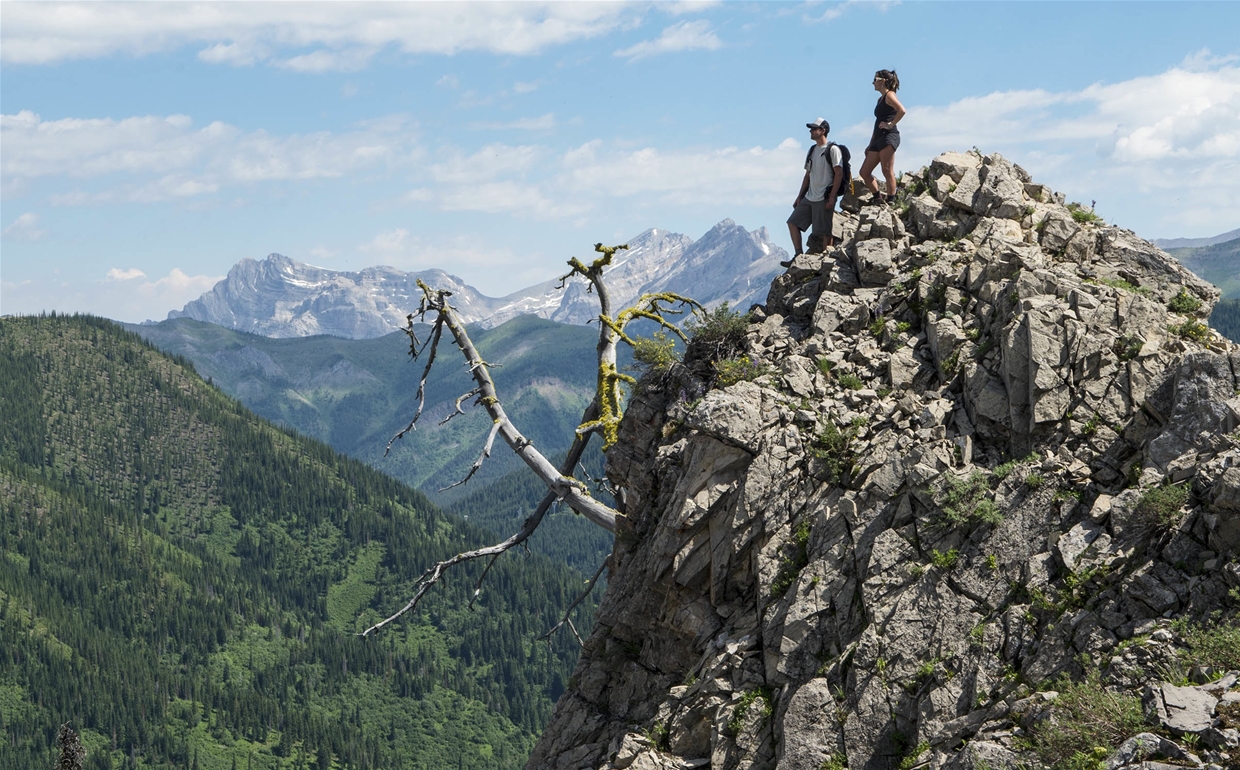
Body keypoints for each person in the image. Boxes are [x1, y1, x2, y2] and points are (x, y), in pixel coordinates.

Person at [783, 118, 844, 265]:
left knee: (825, 231)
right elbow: (807, 175)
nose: (810, 131)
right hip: (810, 196)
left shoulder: (833, 150)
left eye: (814, 128)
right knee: (792, 223)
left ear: (823, 130)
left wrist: (832, 197)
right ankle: (798, 255)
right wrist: (800, 196)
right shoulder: (812, 150)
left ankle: (826, 261)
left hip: (824, 196)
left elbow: (839, 173)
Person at [858, 69, 906, 205]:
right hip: (878, 138)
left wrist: (891, 124)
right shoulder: (880, 99)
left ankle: (891, 199)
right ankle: (878, 197)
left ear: (883, 81)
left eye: (875, 79)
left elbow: (902, 110)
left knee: (886, 169)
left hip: (889, 137)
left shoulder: (890, 95)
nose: (873, 82)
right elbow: (878, 122)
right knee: (864, 172)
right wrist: (870, 143)